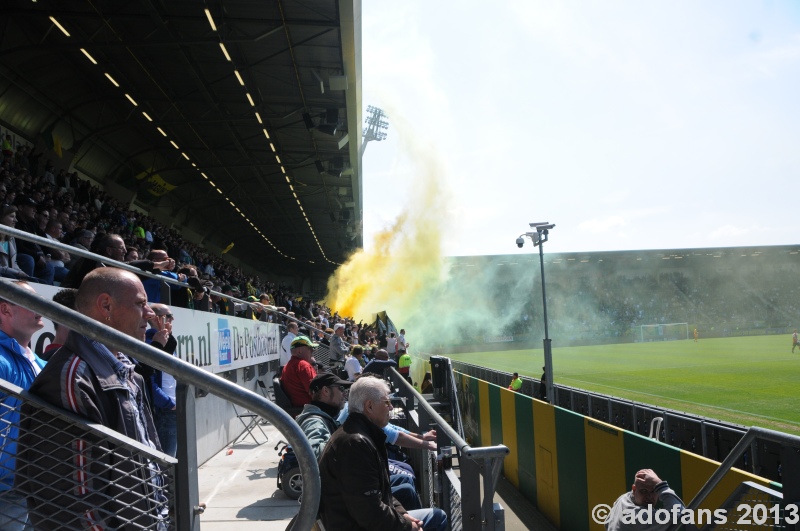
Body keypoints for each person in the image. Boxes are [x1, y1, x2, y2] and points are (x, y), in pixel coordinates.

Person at [15, 268, 168, 530]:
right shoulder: (71, 378)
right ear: (105, 305)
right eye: (140, 304)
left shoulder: (130, 374)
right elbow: (70, 501)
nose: (150, 314)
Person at [318, 376, 447, 531]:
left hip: (351, 521)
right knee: (437, 518)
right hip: (352, 525)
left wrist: (402, 514)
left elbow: (378, 494)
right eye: (387, 402)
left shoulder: (358, 433)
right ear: (369, 406)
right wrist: (407, 526)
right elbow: (369, 513)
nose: (391, 407)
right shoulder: (356, 444)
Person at [0, 281, 45, 530]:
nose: (41, 306)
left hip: (34, 487)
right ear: (6, 310)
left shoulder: (41, 363)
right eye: (31, 301)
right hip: (6, 490)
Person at [145, 303, 179, 458]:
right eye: (169, 316)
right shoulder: (150, 342)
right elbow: (147, 380)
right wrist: (169, 404)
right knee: (166, 460)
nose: (173, 319)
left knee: (170, 458)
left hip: (170, 408)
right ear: (159, 318)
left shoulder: (164, 341)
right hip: (164, 411)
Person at [605, 469, 684, 531]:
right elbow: (680, 514)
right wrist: (661, 485)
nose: (649, 496)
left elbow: (607, 522)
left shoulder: (623, 498)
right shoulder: (638, 517)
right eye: (644, 491)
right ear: (634, 489)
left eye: (654, 491)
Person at [280, 335, 318, 407]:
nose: (312, 352)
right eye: (310, 349)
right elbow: (315, 392)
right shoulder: (303, 366)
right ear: (300, 351)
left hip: (298, 409)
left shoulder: (288, 365)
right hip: (309, 410)